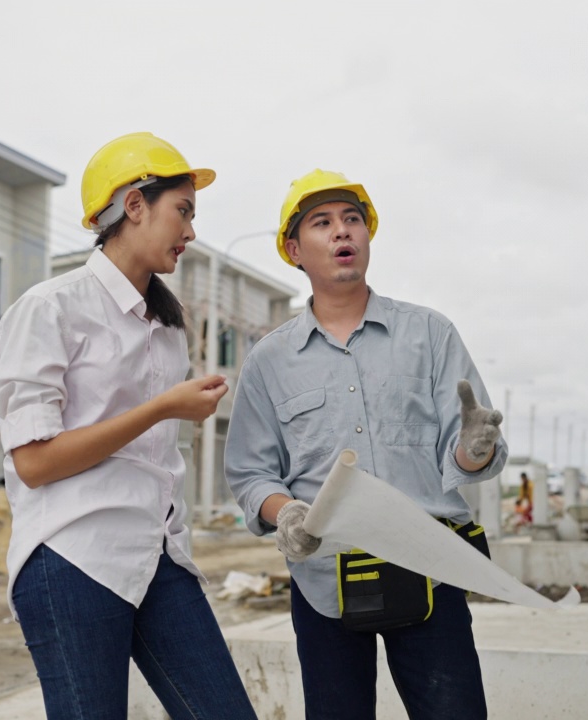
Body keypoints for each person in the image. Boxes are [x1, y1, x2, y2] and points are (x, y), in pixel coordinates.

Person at [0, 132, 256, 720]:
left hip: (158, 556)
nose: (190, 231)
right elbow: (34, 461)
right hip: (73, 557)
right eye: (182, 211)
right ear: (134, 205)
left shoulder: (168, 327)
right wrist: (160, 407)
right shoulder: (51, 308)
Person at [224, 169, 507, 719]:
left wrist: (474, 448)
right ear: (293, 249)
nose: (341, 232)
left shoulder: (429, 334)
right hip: (324, 581)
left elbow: (466, 453)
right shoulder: (269, 361)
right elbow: (250, 474)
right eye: (322, 223)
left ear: (368, 237)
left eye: (352, 219)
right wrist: (286, 514)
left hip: (428, 569)